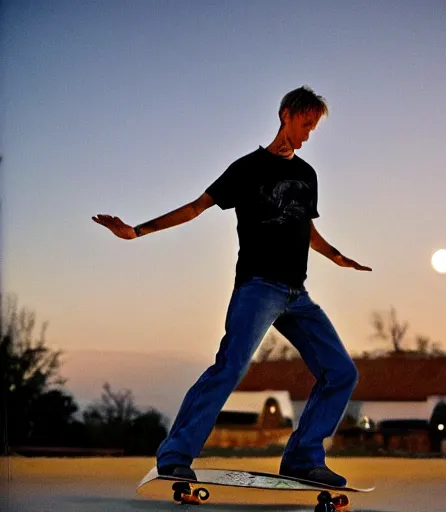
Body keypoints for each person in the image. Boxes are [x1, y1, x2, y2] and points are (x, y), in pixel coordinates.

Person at [92, 85, 372, 487]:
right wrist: (137, 231)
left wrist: (336, 256)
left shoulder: (306, 174)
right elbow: (195, 207)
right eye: (305, 124)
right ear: (286, 115)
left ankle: (302, 458)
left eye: (313, 128)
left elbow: (305, 227)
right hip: (258, 288)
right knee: (230, 367)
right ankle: (175, 455)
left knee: (341, 371)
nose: (308, 135)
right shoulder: (245, 169)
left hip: (298, 295)